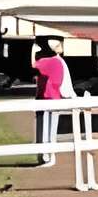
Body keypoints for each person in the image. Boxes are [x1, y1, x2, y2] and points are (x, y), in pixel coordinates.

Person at [31, 38, 72, 168]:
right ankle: (47, 156)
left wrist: (32, 51)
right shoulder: (59, 62)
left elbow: (33, 65)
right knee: (50, 128)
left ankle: (47, 156)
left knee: (46, 128)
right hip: (53, 98)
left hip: (48, 98)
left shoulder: (50, 62)